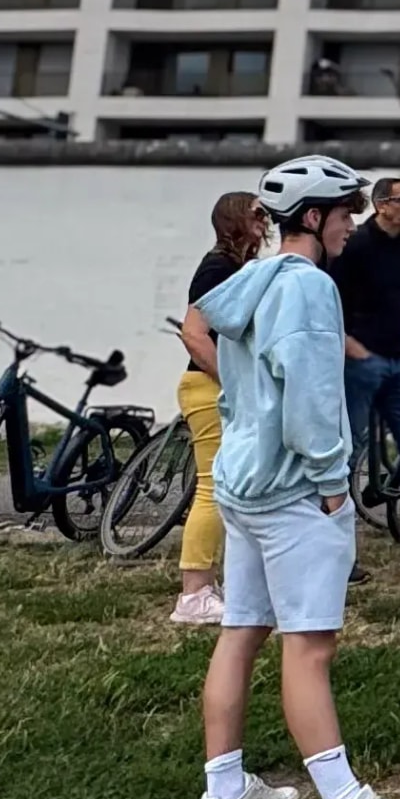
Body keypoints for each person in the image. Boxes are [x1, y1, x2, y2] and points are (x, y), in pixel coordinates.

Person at [185, 154, 400, 799]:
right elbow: (313, 395)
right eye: (346, 212)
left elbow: (235, 373)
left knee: (242, 629)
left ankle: (224, 791)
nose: (353, 224)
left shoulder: (252, 281)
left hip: (242, 484)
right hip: (293, 490)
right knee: (310, 645)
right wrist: (330, 480)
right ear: (315, 217)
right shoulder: (311, 288)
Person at [169, 189, 264, 626]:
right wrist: (231, 379)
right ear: (235, 219)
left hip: (213, 387)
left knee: (224, 489)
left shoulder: (237, 267)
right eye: (257, 213)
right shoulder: (218, 267)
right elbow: (193, 333)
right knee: (211, 488)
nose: (265, 221)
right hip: (207, 388)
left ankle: (208, 585)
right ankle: (194, 594)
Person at [333, 174, 400, 561]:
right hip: (361, 364)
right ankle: (341, 555)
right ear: (382, 205)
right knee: (347, 454)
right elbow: (332, 301)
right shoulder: (355, 245)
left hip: (398, 365)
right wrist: (352, 347)